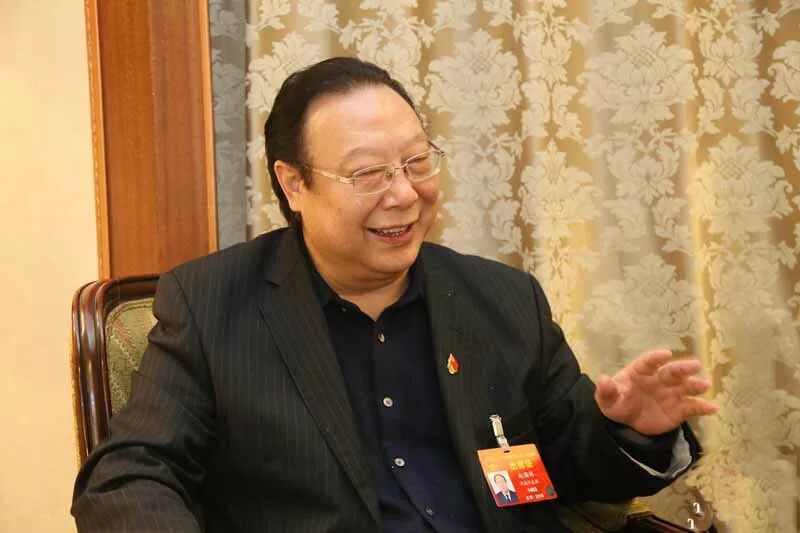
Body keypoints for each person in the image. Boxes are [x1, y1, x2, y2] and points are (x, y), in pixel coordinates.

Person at [72, 57, 716, 532]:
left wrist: (631, 432)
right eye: (369, 174)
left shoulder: (502, 299)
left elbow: (575, 466)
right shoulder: (213, 303)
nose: (404, 194)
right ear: (293, 184)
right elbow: (130, 475)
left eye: (416, 162)